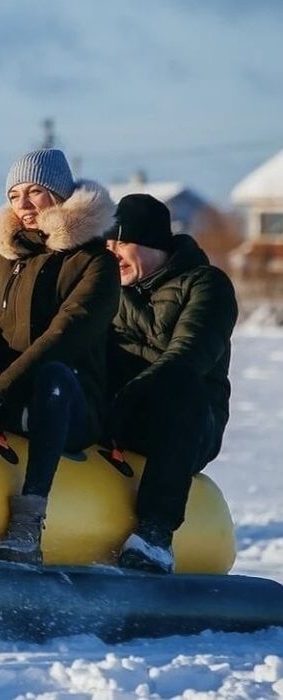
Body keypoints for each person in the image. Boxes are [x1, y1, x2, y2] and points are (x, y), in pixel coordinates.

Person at [0, 149, 120, 565]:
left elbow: (64, 336)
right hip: (4, 397)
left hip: (68, 405)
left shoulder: (96, 263)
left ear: (60, 193)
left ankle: (29, 520)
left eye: (35, 192)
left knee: (53, 373)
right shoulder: (5, 262)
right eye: (15, 195)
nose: (24, 205)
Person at [105, 194, 238, 574]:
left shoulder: (207, 284)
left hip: (190, 424)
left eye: (120, 241)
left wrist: (128, 396)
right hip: (119, 413)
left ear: (151, 242)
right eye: (106, 244)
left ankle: (155, 534)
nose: (111, 252)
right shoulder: (108, 289)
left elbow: (190, 353)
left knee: (180, 381)